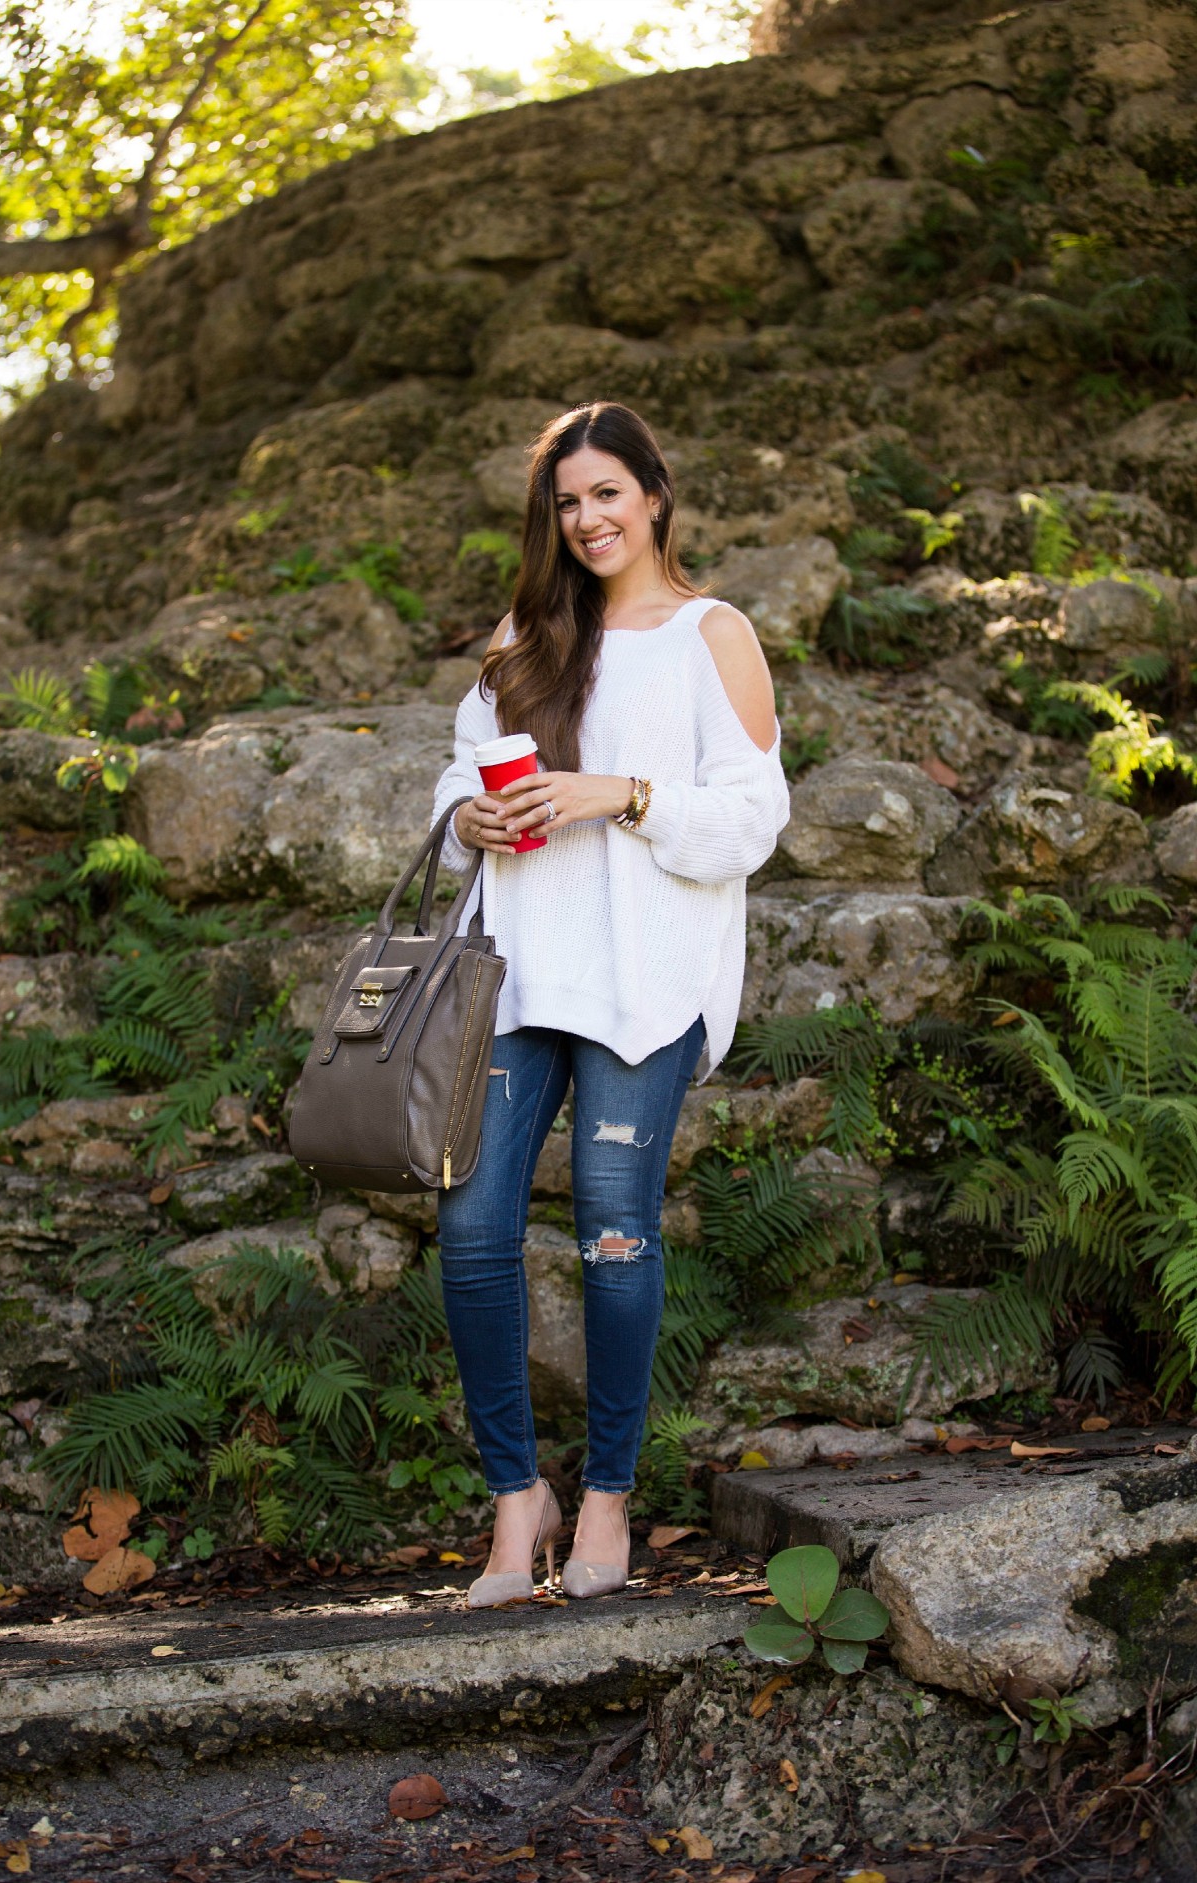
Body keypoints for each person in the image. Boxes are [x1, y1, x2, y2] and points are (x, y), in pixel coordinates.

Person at [429, 400, 790, 1607]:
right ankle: (515, 1495)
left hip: (647, 982)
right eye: (566, 501)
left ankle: (609, 1501)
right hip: (520, 974)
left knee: (614, 1229)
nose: (587, 519)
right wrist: (469, 816)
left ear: (653, 495)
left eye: (606, 494)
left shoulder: (709, 632)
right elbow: (455, 782)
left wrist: (619, 794)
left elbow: (752, 816)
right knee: (474, 1228)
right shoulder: (526, 632)